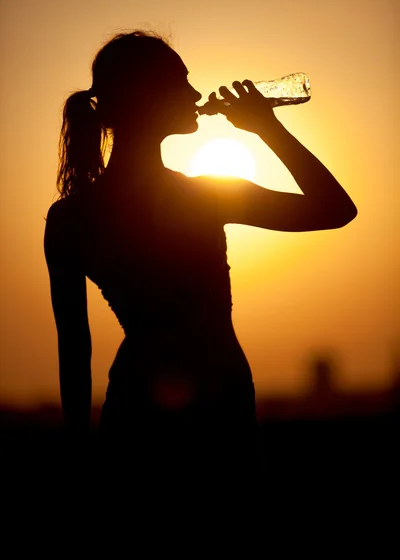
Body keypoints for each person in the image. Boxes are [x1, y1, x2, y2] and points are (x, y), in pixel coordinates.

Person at [44, 30, 357, 495]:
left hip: (134, 408)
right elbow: (335, 209)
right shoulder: (203, 196)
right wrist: (267, 127)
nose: (195, 94)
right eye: (182, 83)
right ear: (148, 98)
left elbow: (74, 354)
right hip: (220, 402)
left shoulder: (70, 216)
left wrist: (79, 456)